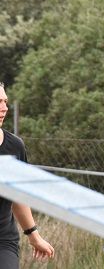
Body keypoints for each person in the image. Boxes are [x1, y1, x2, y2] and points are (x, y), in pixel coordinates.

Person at [0, 82, 55, 268]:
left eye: (5, 102)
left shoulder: (15, 146)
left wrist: (34, 235)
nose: (4, 108)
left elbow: (19, 196)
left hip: (3, 240)